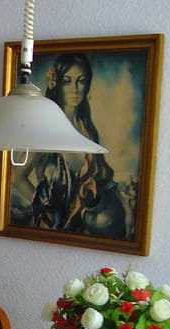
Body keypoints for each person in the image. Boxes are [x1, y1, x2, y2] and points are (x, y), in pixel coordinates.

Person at [12, 53, 128, 239]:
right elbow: (16, 176)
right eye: (67, 81)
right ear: (57, 83)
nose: (75, 89)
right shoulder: (46, 129)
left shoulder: (87, 129)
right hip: (52, 227)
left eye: (81, 81)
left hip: (80, 227)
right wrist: (44, 207)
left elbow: (98, 176)